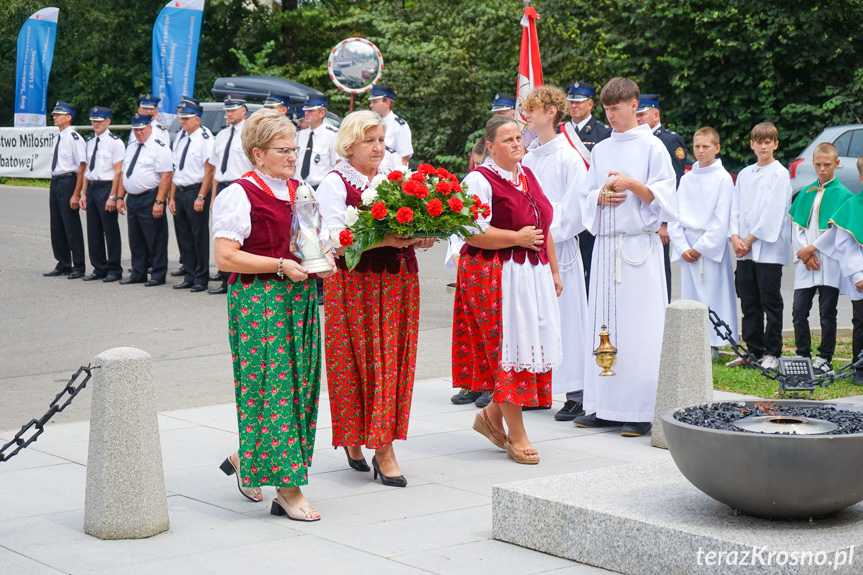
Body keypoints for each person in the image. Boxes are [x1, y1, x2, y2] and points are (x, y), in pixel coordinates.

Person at [213, 108, 333, 521]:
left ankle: (249, 460)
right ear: (257, 154)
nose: (292, 156)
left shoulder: (299, 189)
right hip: (258, 300)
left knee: (299, 386)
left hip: (297, 297)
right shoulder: (239, 193)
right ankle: (288, 490)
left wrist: (324, 256)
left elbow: (310, 240)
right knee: (272, 389)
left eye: (294, 148)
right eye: (283, 150)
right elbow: (226, 257)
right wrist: (279, 265)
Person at [317, 110, 433, 486]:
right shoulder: (335, 183)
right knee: (356, 362)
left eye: (382, 140)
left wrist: (424, 235)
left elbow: (411, 226)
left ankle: (378, 440)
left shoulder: (392, 181)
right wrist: (383, 240)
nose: (379, 148)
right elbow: (330, 239)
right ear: (350, 145)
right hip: (356, 284)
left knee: (391, 363)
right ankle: (373, 446)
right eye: (371, 141)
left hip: (398, 280)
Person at [453, 115, 563, 464]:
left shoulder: (527, 175)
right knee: (509, 352)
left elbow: (544, 226)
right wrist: (516, 238)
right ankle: (517, 435)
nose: (517, 144)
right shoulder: (479, 179)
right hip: (495, 277)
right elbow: (470, 231)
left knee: (527, 349)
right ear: (490, 146)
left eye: (519, 137)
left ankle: (490, 417)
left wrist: (555, 271)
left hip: (531, 275)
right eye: (507, 140)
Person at [572, 77, 676, 438]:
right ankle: (603, 405)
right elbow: (585, 195)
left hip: (637, 248)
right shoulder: (600, 149)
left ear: (635, 106)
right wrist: (598, 197)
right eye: (606, 109)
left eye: (616, 108)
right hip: (606, 246)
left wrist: (632, 184)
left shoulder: (653, 146)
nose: (611, 115)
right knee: (603, 325)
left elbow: (666, 198)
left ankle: (640, 409)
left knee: (640, 328)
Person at [521, 86, 590, 421]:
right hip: (531, 245)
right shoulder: (529, 157)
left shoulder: (568, 156)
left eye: (532, 109)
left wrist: (546, 230)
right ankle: (539, 387)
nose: (526, 115)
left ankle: (576, 391)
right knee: (537, 318)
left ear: (551, 111)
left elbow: (576, 208)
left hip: (559, 247)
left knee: (568, 318)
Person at [667, 127, 738, 358]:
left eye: (706, 146)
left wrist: (700, 248)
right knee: (690, 295)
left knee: (712, 293)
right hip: (688, 242)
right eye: (696, 146)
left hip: (708, 246)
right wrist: (683, 246)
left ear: (716, 148)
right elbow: (675, 215)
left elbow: (722, 218)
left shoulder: (723, 178)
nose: (700, 151)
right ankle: (692, 341)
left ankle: (714, 342)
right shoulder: (687, 179)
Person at [728, 122, 792, 371]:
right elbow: (735, 208)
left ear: (775, 144)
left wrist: (749, 239)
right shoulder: (745, 174)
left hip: (767, 250)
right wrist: (735, 237)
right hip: (744, 251)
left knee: (770, 300)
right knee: (749, 300)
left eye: (768, 142)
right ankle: (753, 350)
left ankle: (773, 351)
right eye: (759, 141)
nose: (763, 146)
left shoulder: (779, 173)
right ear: (752, 144)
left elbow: (773, 213)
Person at [788, 142, 852, 375]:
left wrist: (813, 249)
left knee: (827, 312)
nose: (822, 169)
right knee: (799, 310)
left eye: (827, 164)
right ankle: (802, 354)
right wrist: (804, 253)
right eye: (818, 164)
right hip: (807, 263)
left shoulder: (843, 195)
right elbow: (797, 224)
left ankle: (825, 357)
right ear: (812, 163)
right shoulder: (806, 192)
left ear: (837, 163)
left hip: (829, 260)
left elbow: (836, 229)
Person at [562, 80, 612, 297]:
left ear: (590, 104)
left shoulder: (604, 133)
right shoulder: (558, 132)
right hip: (566, 209)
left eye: (579, 102)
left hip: (592, 209)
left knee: (593, 268)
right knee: (567, 267)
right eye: (571, 102)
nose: (574, 106)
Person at [636, 93, 688, 302]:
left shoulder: (668, 140)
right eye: (636, 115)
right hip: (641, 215)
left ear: (656, 115)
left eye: (643, 114)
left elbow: (674, 184)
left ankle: (663, 312)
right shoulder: (639, 139)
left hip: (659, 218)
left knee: (660, 269)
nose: (638, 119)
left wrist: (665, 222)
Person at [820, 155, 863, 385]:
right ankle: (860, 367)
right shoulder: (853, 206)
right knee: (862, 322)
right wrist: (858, 275)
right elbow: (845, 245)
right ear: (861, 177)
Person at [117, 114, 173, 287]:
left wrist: (159, 201)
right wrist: (119, 197)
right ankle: (138, 272)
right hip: (133, 198)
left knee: (155, 238)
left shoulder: (159, 147)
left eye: (142, 128)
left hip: (150, 197)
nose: (139, 132)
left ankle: (158, 273)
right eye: (136, 129)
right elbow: (125, 173)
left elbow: (166, 176)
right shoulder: (132, 146)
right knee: (136, 238)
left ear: (150, 127)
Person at [206, 94, 253, 295]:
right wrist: (214, 195)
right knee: (223, 233)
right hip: (224, 187)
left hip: (243, 187)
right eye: (227, 109)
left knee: (242, 234)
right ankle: (226, 280)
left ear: (244, 110)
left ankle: (243, 277)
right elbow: (216, 168)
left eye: (233, 109)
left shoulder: (250, 134)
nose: (229, 113)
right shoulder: (222, 135)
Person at [169, 101, 214, 292]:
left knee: (198, 236)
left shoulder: (205, 138)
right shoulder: (181, 137)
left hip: (196, 191)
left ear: (197, 119)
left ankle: (201, 278)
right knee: (184, 236)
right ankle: (189, 274)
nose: (182, 121)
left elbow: (209, 170)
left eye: (186, 118)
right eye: (181, 118)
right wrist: (171, 198)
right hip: (180, 191)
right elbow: (175, 169)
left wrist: (202, 196)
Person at [79, 106, 126, 282]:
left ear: (108, 121)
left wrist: (113, 196)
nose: (96, 124)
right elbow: (87, 169)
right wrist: (84, 194)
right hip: (92, 187)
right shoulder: (90, 141)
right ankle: (99, 267)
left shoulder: (115, 142)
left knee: (110, 230)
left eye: (100, 120)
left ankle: (114, 269)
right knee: (93, 230)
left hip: (107, 188)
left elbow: (118, 171)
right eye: (94, 120)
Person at [44, 101, 87, 279]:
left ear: (68, 118)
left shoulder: (74, 138)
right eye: (54, 114)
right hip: (56, 182)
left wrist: (77, 193)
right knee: (57, 224)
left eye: (58, 114)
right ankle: (63, 262)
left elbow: (82, 166)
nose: (54, 116)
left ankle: (78, 265)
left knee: (71, 224)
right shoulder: (57, 137)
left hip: (69, 181)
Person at [295, 94, 339, 188]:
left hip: (320, 187)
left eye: (311, 111)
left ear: (322, 113)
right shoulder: (299, 135)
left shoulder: (332, 135)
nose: (306, 113)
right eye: (306, 110)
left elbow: (337, 165)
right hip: (298, 187)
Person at [368, 84, 413, 169]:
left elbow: (404, 158)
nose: (371, 105)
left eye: (375, 101)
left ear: (387, 103)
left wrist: (398, 180)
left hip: (391, 177)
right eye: (371, 102)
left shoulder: (399, 125)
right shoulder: (371, 124)